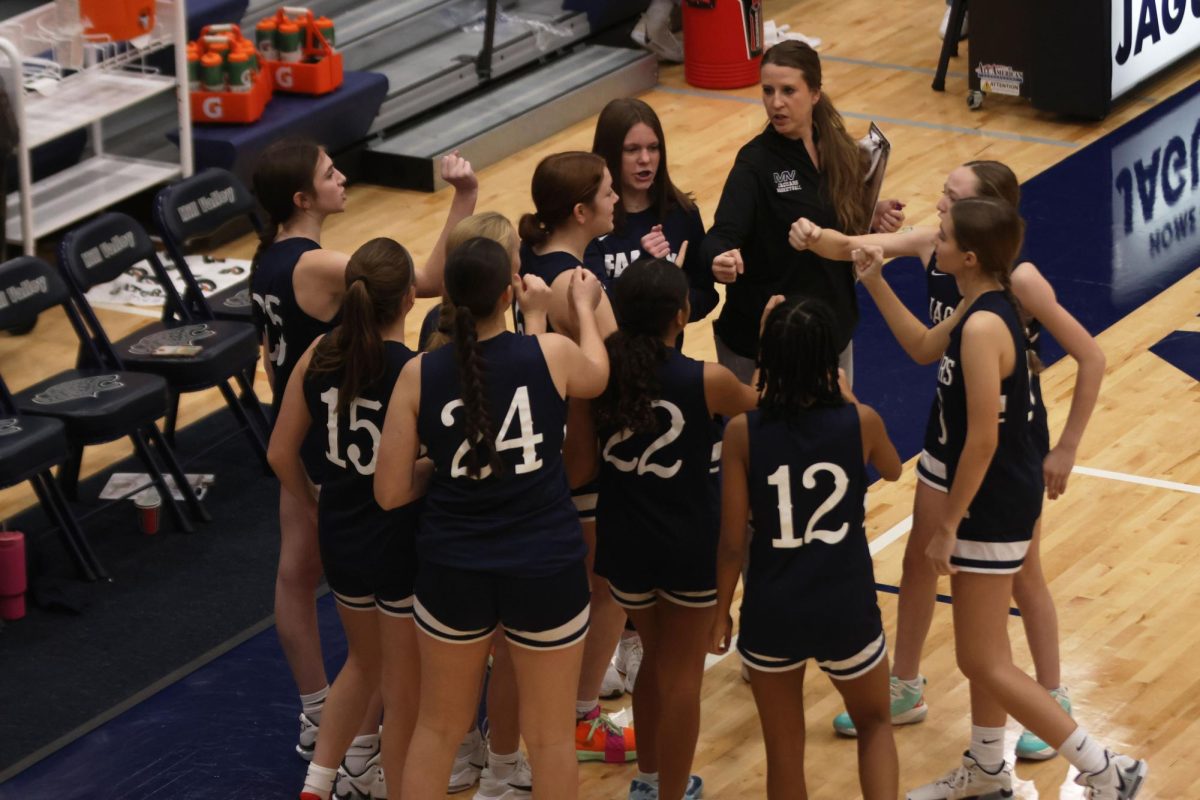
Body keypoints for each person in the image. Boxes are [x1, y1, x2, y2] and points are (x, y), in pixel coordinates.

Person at [792, 161, 1106, 761]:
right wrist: (810, 234)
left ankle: (1052, 694)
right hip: (949, 428)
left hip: (1008, 436)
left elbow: (1093, 358)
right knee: (919, 557)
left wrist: (1066, 447)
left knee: (1022, 574)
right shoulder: (940, 256)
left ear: (979, 223)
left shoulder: (1019, 282)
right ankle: (906, 685)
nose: (938, 206)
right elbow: (860, 249)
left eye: (952, 199)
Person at [852, 201, 1146, 800]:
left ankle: (1106, 770)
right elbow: (920, 346)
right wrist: (876, 282)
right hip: (997, 493)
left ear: (970, 256)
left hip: (993, 500)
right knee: (981, 650)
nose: (936, 236)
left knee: (982, 661)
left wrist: (947, 524)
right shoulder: (977, 304)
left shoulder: (985, 325)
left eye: (948, 232)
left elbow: (982, 439)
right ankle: (989, 770)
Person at [249, 138, 477, 760]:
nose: (342, 176)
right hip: (343, 438)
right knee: (379, 618)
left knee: (296, 576)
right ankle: (355, 737)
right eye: (329, 173)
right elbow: (424, 282)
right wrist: (465, 197)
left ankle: (318, 715)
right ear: (302, 198)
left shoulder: (265, 259)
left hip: (301, 428)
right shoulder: (316, 266)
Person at [374, 238, 609, 800]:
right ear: (508, 292)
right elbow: (598, 375)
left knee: (437, 730)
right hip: (545, 566)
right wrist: (580, 311)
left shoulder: (418, 373)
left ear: (449, 298)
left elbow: (389, 493)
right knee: (550, 740)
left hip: (454, 568)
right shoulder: (550, 352)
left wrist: (451, 468)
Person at [568, 259, 758, 800]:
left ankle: (649, 781)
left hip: (624, 542)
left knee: (655, 659)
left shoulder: (598, 377)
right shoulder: (709, 380)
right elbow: (762, 405)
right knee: (682, 679)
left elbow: (578, 469)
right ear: (683, 314)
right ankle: (670, 792)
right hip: (688, 547)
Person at [710, 295, 902, 800]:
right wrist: (850, 398)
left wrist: (720, 612)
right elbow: (894, 467)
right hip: (846, 604)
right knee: (876, 724)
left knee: (784, 748)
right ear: (829, 362)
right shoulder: (861, 421)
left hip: (774, 606)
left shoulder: (740, 434)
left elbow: (732, 543)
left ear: (765, 361)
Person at [268, 238, 422, 800]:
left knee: (361, 663)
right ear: (409, 299)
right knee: (405, 691)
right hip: (398, 540)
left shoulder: (318, 354)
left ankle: (318, 783)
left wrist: (314, 500)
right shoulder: (413, 370)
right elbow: (410, 470)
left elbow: (280, 453)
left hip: (342, 532)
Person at [519, 151, 637, 765]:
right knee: (607, 587)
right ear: (580, 210)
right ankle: (579, 715)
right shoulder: (573, 282)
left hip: (537, 450)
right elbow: (614, 371)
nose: (618, 200)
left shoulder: (532, 265)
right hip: (580, 453)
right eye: (609, 193)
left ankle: (552, 712)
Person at [697, 40, 905, 386]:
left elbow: (837, 218)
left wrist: (871, 213)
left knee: (835, 436)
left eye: (788, 90)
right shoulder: (755, 163)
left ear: (814, 94)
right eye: (768, 91)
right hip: (765, 344)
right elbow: (720, 236)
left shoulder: (838, 147)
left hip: (830, 329)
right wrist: (719, 258)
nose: (776, 103)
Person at [586, 97, 717, 323]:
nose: (645, 159)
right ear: (609, 153)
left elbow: (705, 294)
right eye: (632, 150)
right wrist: (646, 277)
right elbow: (593, 309)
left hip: (665, 354)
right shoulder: (590, 222)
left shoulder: (683, 214)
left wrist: (676, 303)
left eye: (653, 148)